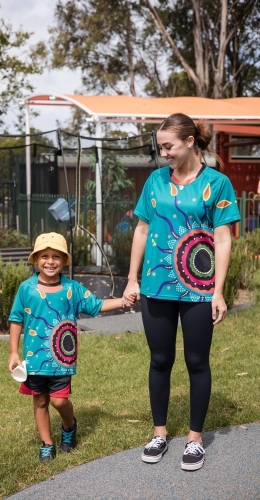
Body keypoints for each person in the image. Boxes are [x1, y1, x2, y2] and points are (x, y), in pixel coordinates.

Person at [123, 113, 240, 471]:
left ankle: (194, 439)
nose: (164, 154)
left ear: (190, 141)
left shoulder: (218, 184)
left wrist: (218, 291)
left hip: (199, 288)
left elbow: (223, 238)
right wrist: (131, 278)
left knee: (196, 361)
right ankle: (159, 434)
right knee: (160, 360)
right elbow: (142, 229)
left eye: (168, 146)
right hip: (157, 286)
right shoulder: (156, 181)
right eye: (161, 147)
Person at [8, 232, 136, 463]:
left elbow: (96, 305)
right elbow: (16, 319)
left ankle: (69, 425)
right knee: (40, 401)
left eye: (56, 256)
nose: (50, 261)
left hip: (61, 360)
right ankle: (47, 443)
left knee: (58, 400)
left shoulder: (72, 288)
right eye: (45, 256)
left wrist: (123, 301)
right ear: (36, 259)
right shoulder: (26, 288)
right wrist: (14, 352)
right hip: (34, 361)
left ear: (64, 260)